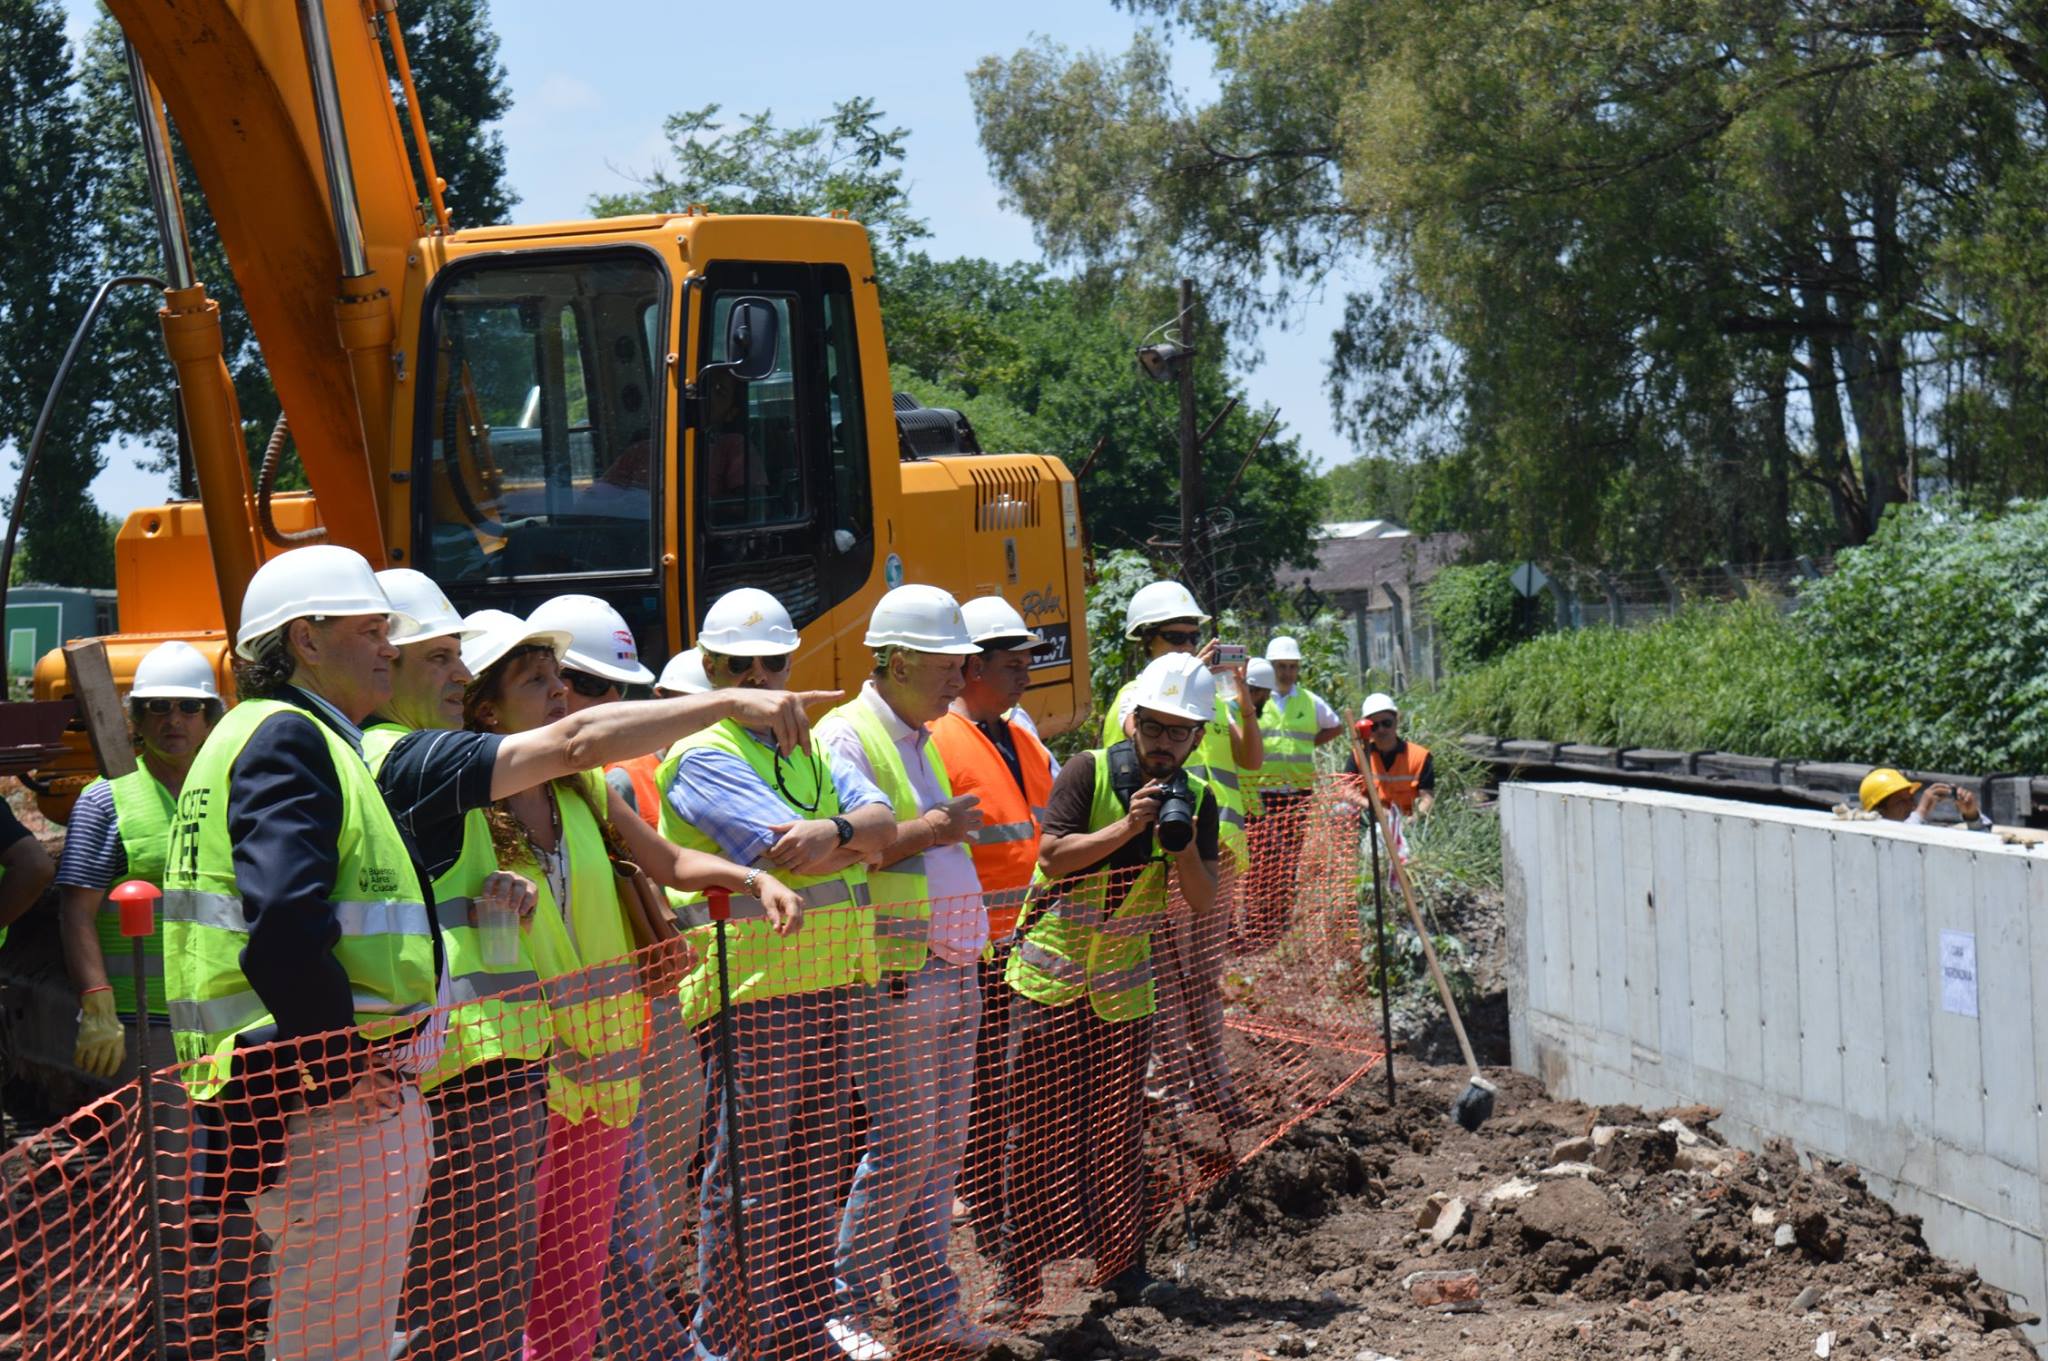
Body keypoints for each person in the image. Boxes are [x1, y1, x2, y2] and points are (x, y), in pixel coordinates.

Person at [463, 608, 807, 1361]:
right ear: (487, 709)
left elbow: (671, 863)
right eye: (537, 681)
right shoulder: (461, 808)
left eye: (561, 678)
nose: (560, 693)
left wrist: (754, 877)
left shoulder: (581, 786)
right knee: (568, 1272)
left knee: (589, 1274)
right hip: (525, 1082)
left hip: (603, 1078)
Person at [161, 544, 437, 1360]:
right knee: (335, 1341)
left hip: (289, 1092)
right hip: (332, 1102)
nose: (391, 645)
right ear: (306, 639)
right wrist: (342, 1060)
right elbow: (283, 922)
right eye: (372, 627)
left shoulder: (254, 734)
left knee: (326, 1330)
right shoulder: (289, 737)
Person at [656, 587, 896, 1361]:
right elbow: (778, 848)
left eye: (774, 660)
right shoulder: (701, 751)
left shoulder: (814, 747)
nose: (761, 674)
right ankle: (724, 1341)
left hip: (826, 978)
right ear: (711, 666)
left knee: (814, 1166)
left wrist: (837, 830)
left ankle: (797, 1329)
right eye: (740, 663)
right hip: (750, 991)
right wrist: (845, 834)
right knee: (749, 1180)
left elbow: (882, 828)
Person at [995, 652, 1221, 1321]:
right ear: (1131, 720)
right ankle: (1017, 1278)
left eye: (1178, 732)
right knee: (1031, 1135)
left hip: (1123, 998)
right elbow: (1053, 854)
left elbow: (1203, 900)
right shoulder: (1089, 771)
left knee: (1117, 1137)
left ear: (1197, 739)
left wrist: (1177, 845)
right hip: (1046, 987)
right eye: (1153, 726)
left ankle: (1123, 1268)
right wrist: (1127, 826)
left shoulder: (1198, 800)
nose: (1162, 742)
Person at [819, 585, 995, 1359]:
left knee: (939, 1151)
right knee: (901, 1145)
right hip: (896, 974)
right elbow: (849, 844)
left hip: (952, 968)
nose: (961, 678)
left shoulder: (921, 735)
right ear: (894, 659)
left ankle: (929, 1310)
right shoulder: (847, 734)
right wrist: (935, 827)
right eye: (947, 663)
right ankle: (848, 1307)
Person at [929, 595, 1058, 1292]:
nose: (1025, 679)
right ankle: (992, 1221)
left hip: (1028, 947)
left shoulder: (1021, 737)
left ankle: (1013, 1220)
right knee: (984, 1099)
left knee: (1015, 1095)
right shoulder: (941, 742)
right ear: (971, 665)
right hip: (975, 954)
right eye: (1013, 665)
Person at [1098, 581, 1258, 1121]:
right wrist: (1180, 691)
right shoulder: (1135, 695)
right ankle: (1174, 1088)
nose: (1189, 645)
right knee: (1166, 974)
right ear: (1147, 640)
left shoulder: (1210, 696)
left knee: (1206, 972)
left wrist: (1234, 694)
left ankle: (1214, 1075)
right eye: (1176, 637)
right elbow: (1139, 734)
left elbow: (1249, 758)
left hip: (1216, 849)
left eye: (1194, 636)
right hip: (1165, 851)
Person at [62, 640, 221, 1080]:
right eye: (158, 706)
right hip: (142, 1023)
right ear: (137, 716)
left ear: (210, 719)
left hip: (223, 1017)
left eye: (190, 707)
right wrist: (96, 1002)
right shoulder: (106, 801)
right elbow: (76, 913)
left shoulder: (233, 795)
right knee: (159, 1149)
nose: (174, 719)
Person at [1240, 636, 1343, 952]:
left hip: (1297, 794)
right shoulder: (1256, 700)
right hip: (1260, 793)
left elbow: (1336, 726)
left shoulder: (1309, 701)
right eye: (1281, 667)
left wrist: (1308, 743)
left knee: (1288, 859)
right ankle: (1257, 921)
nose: (1287, 673)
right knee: (1259, 860)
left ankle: (1278, 920)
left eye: (1292, 667)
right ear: (1270, 668)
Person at [529, 595, 662, 828]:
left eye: (620, 686)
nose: (613, 699)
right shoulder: (491, 786)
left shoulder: (592, 780)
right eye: (593, 684)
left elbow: (674, 861)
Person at [1350, 692, 1434, 818]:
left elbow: (1427, 798)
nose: (1381, 730)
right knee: (1341, 809)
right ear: (1367, 729)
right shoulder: (1359, 756)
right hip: (1371, 819)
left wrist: (1411, 821)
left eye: (1386, 723)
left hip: (1407, 823)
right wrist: (1376, 809)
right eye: (1374, 726)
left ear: (1396, 720)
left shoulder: (1420, 757)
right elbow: (1346, 791)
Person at [1859, 767, 1993, 828]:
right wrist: (1922, 811)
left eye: (1911, 799)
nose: (1912, 806)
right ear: (1879, 812)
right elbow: (1903, 846)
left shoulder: (1920, 827)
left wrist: (1972, 816)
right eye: (1901, 801)